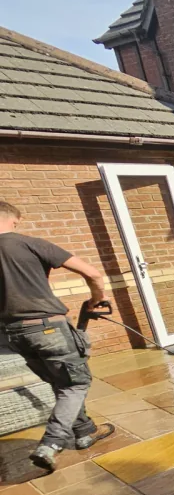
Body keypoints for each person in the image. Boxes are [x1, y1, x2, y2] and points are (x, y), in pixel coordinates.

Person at [0, 200, 113, 471]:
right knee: (75, 384)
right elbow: (93, 274)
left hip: (13, 333)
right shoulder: (30, 243)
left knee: (60, 381)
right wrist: (97, 300)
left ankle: (85, 431)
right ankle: (52, 442)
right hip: (47, 328)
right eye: (17, 222)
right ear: (12, 219)